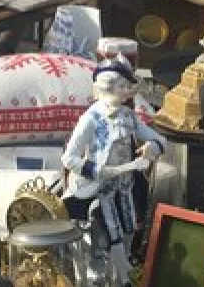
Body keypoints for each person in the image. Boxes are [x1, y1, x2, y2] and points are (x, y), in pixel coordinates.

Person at [61, 57, 167, 287]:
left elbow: (160, 140)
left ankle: (121, 278)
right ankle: (103, 279)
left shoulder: (129, 117)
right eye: (123, 86)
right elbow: (69, 158)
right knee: (104, 239)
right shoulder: (91, 119)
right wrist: (97, 171)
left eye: (128, 86)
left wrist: (153, 146)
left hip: (125, 188)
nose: (128, 91)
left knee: (129, 231)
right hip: (98, 190)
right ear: (107, 86)